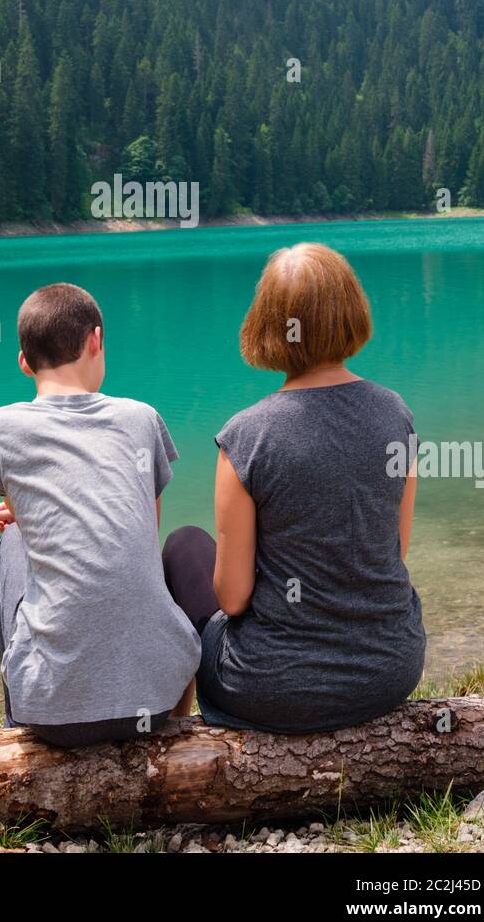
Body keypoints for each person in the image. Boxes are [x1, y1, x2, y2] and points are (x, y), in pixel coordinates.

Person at [162, 242, 426, 734]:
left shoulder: (246, 436)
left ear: (266, 324)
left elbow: (234, 598)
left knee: (185, 545)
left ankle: (178, 729)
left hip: (272, 688)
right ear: (352, 314)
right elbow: (395, 549)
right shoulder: (396, 413)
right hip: (391, 671)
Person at [0, 281, 201, 746]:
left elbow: (26, 489)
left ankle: (16, 722)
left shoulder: (0, 425)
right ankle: (181, 718)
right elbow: (142, 532)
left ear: (23, 362)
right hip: (153, 704)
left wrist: (19, 517)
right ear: (96, 340)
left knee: (12, 542)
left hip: (52, 716)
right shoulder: (141, 418)